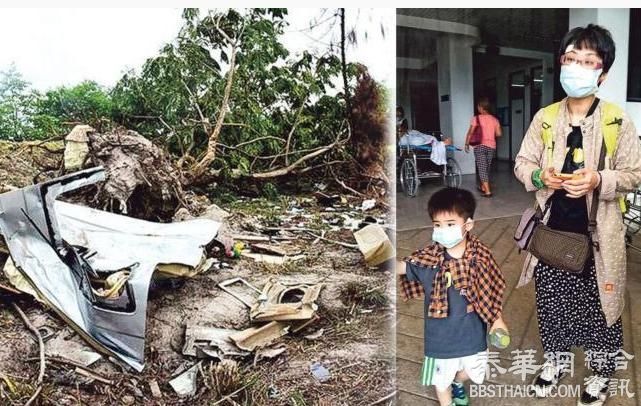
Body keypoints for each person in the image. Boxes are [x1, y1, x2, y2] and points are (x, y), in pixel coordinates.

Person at [514, 24, 641, 406]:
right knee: (552, 302)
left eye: (588, 61)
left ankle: (601, 372)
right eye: (571, 59)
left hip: (599, 237)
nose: (577, 67)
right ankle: (556, 361)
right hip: (552, 233)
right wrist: (540, 175)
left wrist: (599, 179)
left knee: (603, 305)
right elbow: (523, 163)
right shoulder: (545, 118)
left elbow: (635, 174)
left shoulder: (617, 121)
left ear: (602, 73)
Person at [397, 187, 509, 406]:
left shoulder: (481, 257)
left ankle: (459, 383)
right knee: (441, 381)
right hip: (440, 339)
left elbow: (492, 292)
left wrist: (498, 321)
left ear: (468, 225)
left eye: (450, 224)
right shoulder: (428, 259)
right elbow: (403, 267)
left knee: (471, 370)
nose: (442, 230)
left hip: (472, 335)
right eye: (437, 225)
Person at [464, 97, 502, 197]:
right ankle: (483, 186)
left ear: (481, 107)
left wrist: (467, 143)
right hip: (491, 147)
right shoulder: (495, 120)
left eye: (478, 106)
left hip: (479, 145)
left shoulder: (476, 118)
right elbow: (498, 134)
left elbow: (470, 133)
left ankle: (488, 191)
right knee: (486, 167)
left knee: (482, 168)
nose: (477, 108)